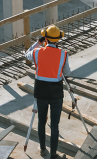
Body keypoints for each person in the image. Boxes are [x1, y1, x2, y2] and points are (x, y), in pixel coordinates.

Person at [25, 25, 71, 159]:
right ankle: (53, 154)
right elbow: (67, 72)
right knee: (55, 125)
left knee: (41, 121)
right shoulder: (63, 54)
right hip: (56, 93)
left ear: (45, 38)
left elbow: (27, 55)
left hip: (41, 92)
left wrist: (38, 43)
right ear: (58, 40)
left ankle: (43, 149)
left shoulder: (38, 52)